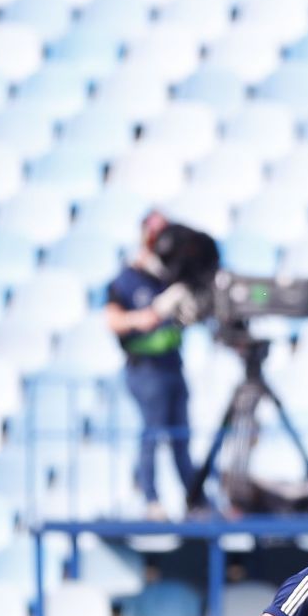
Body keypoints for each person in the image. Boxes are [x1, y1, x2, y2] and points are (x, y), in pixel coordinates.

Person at [102, 211, 210, 519]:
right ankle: (151, 499)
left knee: (181, 437)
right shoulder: (127, 279)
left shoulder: (172, 276)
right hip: (145, 369)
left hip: (173, 366)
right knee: (153, 433)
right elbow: (113, 321)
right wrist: (150, 315)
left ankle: (194, 500)